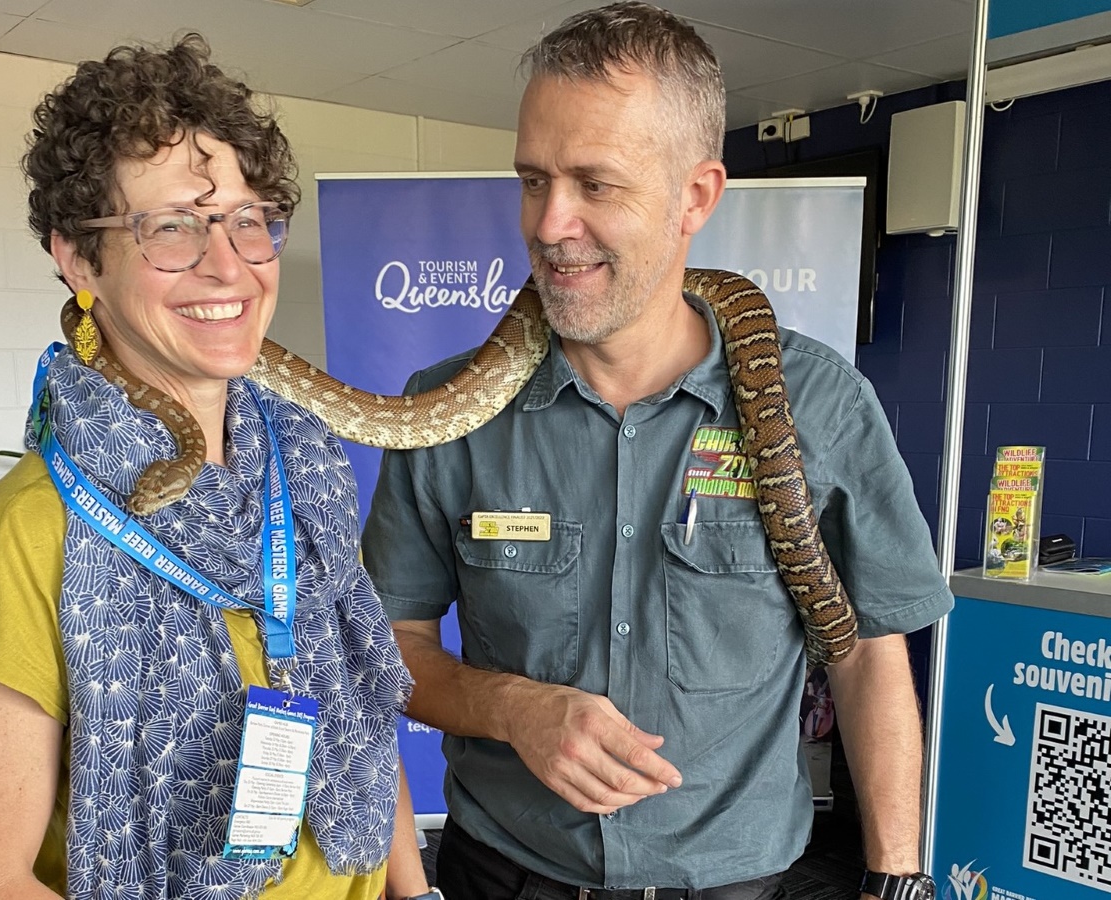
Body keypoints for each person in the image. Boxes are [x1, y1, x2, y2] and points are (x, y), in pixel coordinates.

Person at [361, 4, 954, 899]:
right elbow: (385, 647)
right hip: (507, 872)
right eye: (533, 180)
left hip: (740, 880)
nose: (550, 223)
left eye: (595, 184)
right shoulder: (445, 409)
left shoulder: (821, 401)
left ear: (696, 197)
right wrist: (510, 708)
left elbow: (871, 648)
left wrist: (895, 876)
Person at [0, 35, 434, 900]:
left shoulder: (305, 465)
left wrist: (415, 888)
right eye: (172, 226)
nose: (229, 263)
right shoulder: (31, 529)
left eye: (248, 219)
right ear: (79, 257)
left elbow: (354, 708)